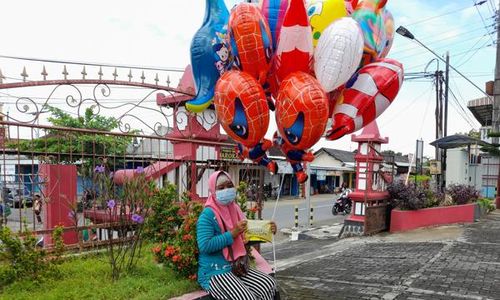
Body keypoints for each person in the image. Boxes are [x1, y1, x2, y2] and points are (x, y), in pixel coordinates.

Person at [197, 171, 277, 300]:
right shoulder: (207, 215)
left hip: (236, 266)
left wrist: (268, 230)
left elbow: (247, 237)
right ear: (213, 191)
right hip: (214, 271)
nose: (227, 190)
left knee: (268, 284)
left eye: (229, 185)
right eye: (221, 188)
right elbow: (204, 246)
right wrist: (232, 234)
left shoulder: (234, 209)